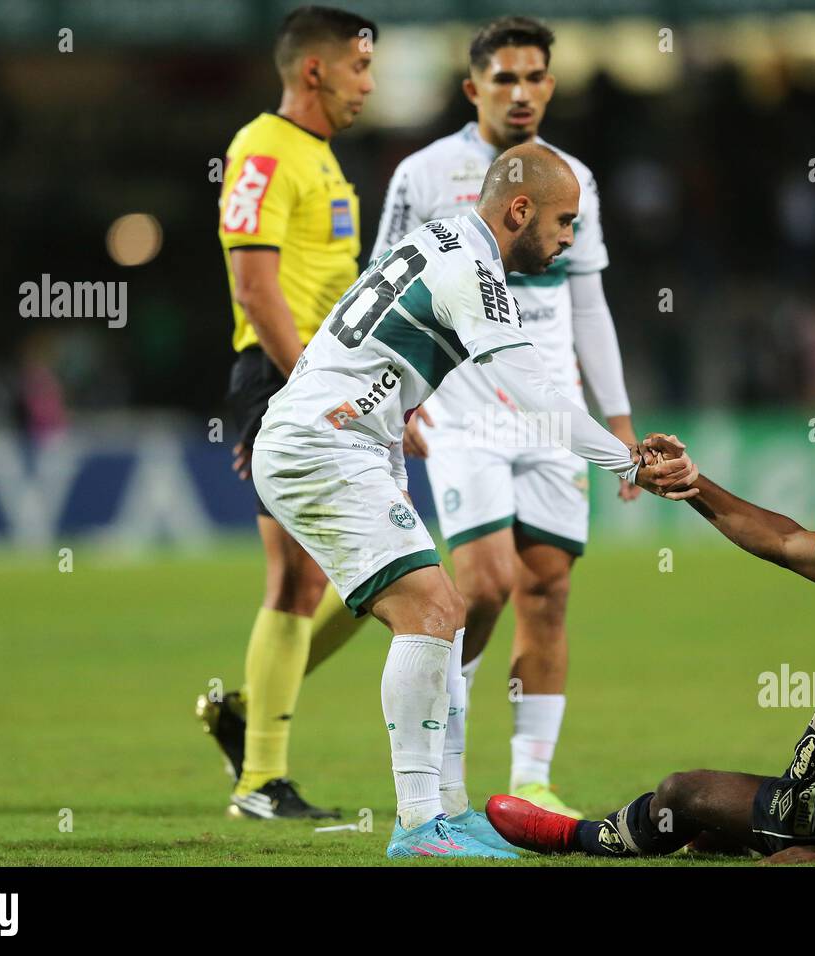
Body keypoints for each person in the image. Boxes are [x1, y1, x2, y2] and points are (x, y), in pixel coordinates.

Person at [251, 143, 696, 858]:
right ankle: (420, 826)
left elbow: (358, 350)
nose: (568, 239)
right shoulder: (473, 268)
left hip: (337, 440)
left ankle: (445, 812)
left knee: (442, 615)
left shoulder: (436, 239)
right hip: (322, 446)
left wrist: (389, 445)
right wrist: (631, 461)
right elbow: (535, 398)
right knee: (434, 609)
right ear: (519, 209)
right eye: (563, 221)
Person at [299, 15, 637, 818]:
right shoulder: (425, 173)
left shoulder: (573, 179)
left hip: (551, 409)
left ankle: (531, 779)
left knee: (547, 589)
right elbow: (380, 280)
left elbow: (589, 306)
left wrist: (616, 419)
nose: (521, 93)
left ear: (550, 85)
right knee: (481, 584)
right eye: (505, 78)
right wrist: (394, 395)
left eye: (534, 78)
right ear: (473, 87)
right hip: (464, 407)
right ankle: (445, 748)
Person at [488, 440, 815, 863]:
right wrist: (690, 482)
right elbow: (777, 540)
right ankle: (753, 824)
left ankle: (571, 838)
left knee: (681, 795)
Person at [197, 5, 376, 821]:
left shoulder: (326, 164)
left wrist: (379, 394)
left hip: (329, 381)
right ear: (314, 70)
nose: (368, 87)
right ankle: (259, 781)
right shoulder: (262, 149)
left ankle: (243, 713)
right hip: (281, 377)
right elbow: (255, 287)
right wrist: (307, 389)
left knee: (380, 575)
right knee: (299, 577)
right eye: (359, 68)